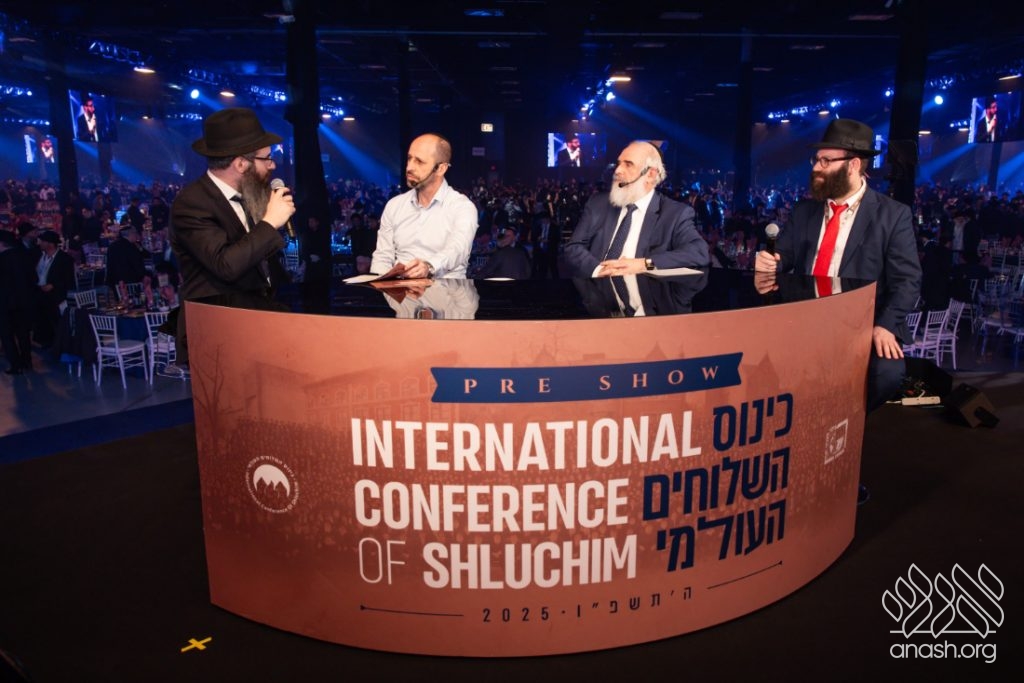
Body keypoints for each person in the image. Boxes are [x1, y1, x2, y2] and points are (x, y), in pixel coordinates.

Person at [753, 118, 922, 413]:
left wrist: (885, 325)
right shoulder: (804, 211)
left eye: (826, 161)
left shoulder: (892, 215)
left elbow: (907, 281)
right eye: (816, 160)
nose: (816, 168)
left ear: (853, 165)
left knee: (887, 373)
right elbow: (785, 255)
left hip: (860, 324)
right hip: (805, 318)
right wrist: (771, 261)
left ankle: (845, 419)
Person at [169, 107, 295, 366]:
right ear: (240, 164)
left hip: (259, 325)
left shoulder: (249, 194)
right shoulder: (192, 204)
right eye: (266, 158)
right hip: (219, 334)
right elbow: (226, 265)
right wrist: (270, 222)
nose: (272, 165)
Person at [563, 140, 710, 280]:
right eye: (619, 164)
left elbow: (699, 252)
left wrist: (644, 264)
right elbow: (573, 247)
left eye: (628, 164)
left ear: (650, 174)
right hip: (597, 291)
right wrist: (599, 271)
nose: (617, 170)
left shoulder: (675, 213)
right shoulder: (597, 203)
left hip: (647, 294)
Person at [369, 133, 477, 279]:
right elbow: (382, 257)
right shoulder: (394, 205)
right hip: (399, 290)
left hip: (446, 290)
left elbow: (458, 249)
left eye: (419, 162)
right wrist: (378, 286)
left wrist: (428, 266)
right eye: (409, 159)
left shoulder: (462, 207)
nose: (409, 167)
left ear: (441, 169)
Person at [0, 230, 37, 374]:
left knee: (7, 335)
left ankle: (16, 364)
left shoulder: (2, 260)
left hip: (5, 303)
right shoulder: (25, 256)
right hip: (24, 301)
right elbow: (34, 278)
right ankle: (27, 361)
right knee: (23, 333)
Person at [33, 230, 75, 349]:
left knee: (56, 321)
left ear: (50, 244)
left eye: (43, 241)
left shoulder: (64, 258)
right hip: (40, 293)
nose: (40, 243)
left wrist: (53, 285)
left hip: (55, 296)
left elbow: (68, 278)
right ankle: (46, 342)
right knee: (43, 320)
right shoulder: (39, 256)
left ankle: (60, 345)